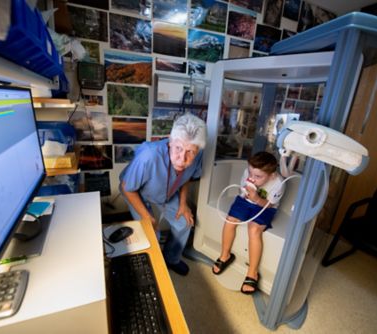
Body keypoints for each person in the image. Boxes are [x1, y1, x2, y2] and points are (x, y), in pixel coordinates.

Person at [119, 113, 207, 276]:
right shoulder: (148, 155)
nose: (182, 159)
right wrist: (148, 217)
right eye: (178, 148)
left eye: (190, 152)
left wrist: (183, 204)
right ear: (170, 140)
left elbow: (187, 176)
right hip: (136, 190)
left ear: (198, 150)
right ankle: (153, 266)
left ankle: (172, 259)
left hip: (169, 189)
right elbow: (127, 188)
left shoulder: (198, 154)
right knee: (152, 232)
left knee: (184, 223)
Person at [211, 151, 285, 294]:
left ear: (271, 175)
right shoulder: (248, 172)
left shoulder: (278, 183)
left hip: (265, 205)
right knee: (229, 220)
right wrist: (246, 192)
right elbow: (243, 190)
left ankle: (252, 273)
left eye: (258, 176)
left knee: (254, 230)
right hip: (246, 200)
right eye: (251, 173)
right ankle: (225, 256)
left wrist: (256, 198)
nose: (252, 178)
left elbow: (268, 204)